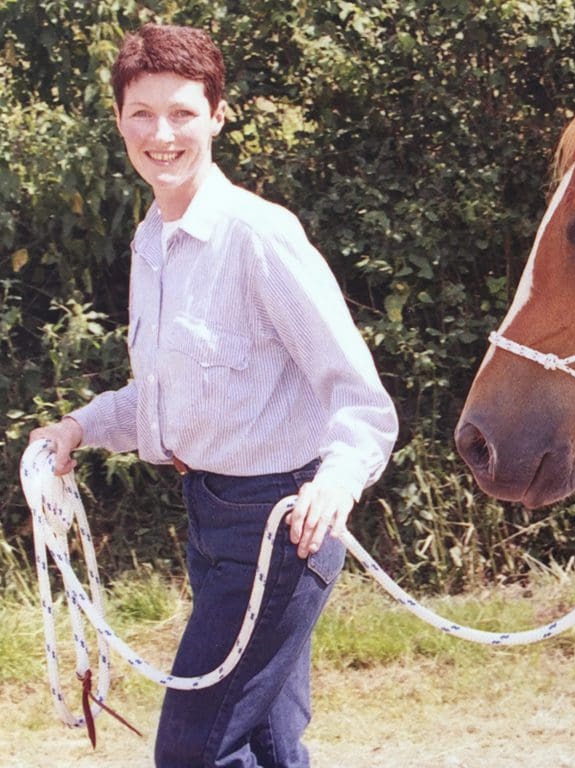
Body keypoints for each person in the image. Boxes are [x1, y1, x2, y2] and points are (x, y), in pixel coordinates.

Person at [28, 22, 398, 768]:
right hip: (212, 525)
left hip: (282, 529)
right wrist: (74, 428)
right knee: (266, 746)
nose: (161, 134)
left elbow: (359, 398)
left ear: (218, 116)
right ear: (119, 122)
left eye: (182, 113)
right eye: (142, 114)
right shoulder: (151, 243)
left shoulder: (260, 236)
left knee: (194, 753)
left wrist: (337, 481)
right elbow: (162, 401)